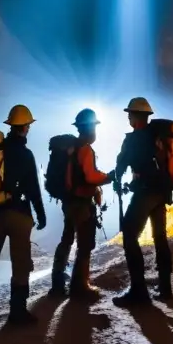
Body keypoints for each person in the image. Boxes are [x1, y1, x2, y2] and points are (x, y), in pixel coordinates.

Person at [0, 104, 47, 325]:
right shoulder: (26, 155)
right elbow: (33, 188)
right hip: (19, 216)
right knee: (21, 263)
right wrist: (41, 215)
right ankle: (17, 312)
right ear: (25, 127)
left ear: (10, 126)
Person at [112, 97, 173, 306]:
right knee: (160, 238)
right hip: (161, 193)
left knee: (129, 234)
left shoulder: (133, 139)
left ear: (136, 116)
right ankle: (165, 288)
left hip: (145, 193)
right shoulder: (158, 137)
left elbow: (120, 166)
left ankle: (139, 291)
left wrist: (116, 179)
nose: (128, 117)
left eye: (130, 114)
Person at [50, 108, 113, 301]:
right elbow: (90, 176)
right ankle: (80, 286)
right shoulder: (85, 149)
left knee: (67, 238)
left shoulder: (71, 147)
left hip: (68, 201)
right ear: (90, 128)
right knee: (85, 243)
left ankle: (57, 282)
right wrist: (109, 177)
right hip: (81, 203)